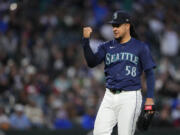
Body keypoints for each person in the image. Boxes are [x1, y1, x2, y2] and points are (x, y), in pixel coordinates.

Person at [82, 10, 156, 135]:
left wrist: (150, 98)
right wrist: (85, 41)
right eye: (113, 25)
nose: (114, 28)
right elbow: (91, 62)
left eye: (118, 25)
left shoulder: (140, 47)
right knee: (98, 133)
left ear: (127, 26)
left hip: (130, 96)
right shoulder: (106, 46)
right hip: (109, 96)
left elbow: (150, 73)